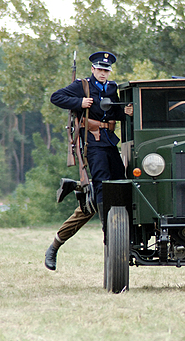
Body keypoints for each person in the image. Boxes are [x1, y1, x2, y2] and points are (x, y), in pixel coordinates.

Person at [44, 51, 133, 271]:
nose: (103, 73)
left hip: (109, 140)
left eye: (106, 70)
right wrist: (80, 101)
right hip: (92, 142)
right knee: (100, 185)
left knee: (120, 182)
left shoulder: (111, 88)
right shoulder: (82, 86)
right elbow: (56, 97)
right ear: (93, 69)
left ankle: (114, 227)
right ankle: (108, 232)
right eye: (100, 69)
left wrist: (127, 112)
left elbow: (114, 112)